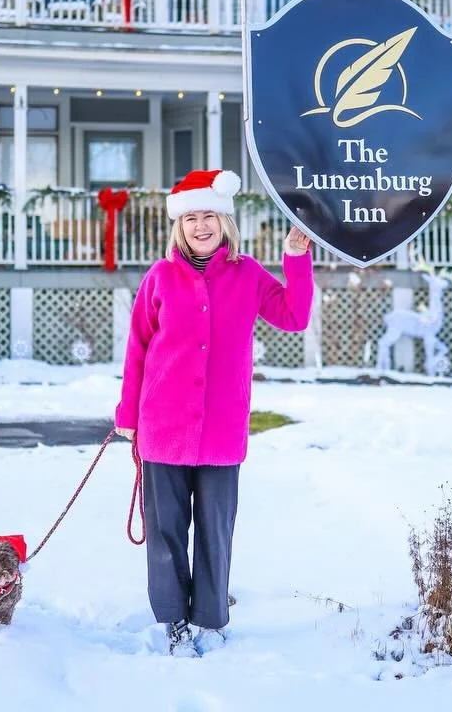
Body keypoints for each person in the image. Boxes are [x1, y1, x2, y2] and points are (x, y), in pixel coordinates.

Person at [114, 169, 313, 657]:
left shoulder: (246, 275)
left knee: (215, 531)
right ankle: (174, 621)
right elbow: (138, 347)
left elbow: (294, 315)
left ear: (226, 222)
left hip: (221, 431)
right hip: (162, 427)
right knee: (164, 534)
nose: (200, 226)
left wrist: (297, 258)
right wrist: (128, 413)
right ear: (178, 227)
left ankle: (209, 619)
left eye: (209, 216)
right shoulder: (159, 278)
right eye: (191, 218)